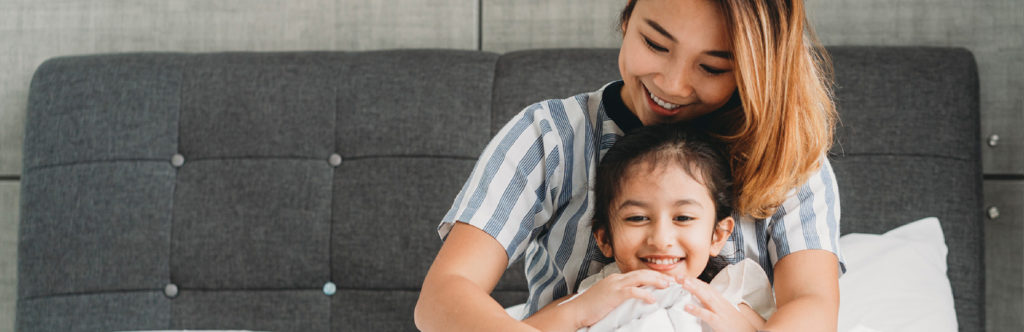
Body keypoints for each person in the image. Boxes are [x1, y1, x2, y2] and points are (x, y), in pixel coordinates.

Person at [415, 0, 842, 330]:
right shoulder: (549, 137)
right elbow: (443, 298)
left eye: (712, 67)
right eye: (655, 44)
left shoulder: (789, 155)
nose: (672, 85)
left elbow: (812, 302)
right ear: (627, 17)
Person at [560, 123, 775, 331]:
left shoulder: (729, 298)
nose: (661, 240)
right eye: (637, 218)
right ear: (605, 238)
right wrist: (577, 312)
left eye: (683, 218)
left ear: (717, 236)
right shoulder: (597, 294)